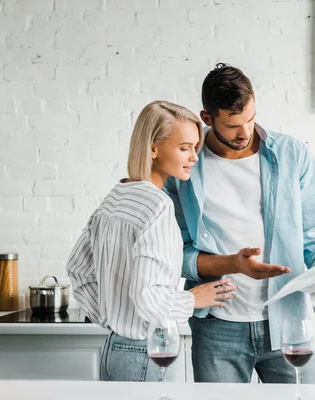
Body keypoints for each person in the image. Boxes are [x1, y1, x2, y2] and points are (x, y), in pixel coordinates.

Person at [164, 63, 315, 383]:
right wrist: (233, 264)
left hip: (289, 320)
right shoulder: (185, 168)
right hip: (218, 327)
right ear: (207, 118)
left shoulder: (291, 154)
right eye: (232, 125)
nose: (244, 132)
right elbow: (177, 252)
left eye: (250, 119)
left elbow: (314, 236)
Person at [66, 100, 236, 382]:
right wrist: (192, 299)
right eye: (184, 148)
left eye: (195, 147)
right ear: (154, 148)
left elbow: (78, 269)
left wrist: (112, 317)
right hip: (146, 354)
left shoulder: (117, 195)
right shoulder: (157, 205)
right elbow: (148, 296)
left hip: (115, 349)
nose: (194, 156)